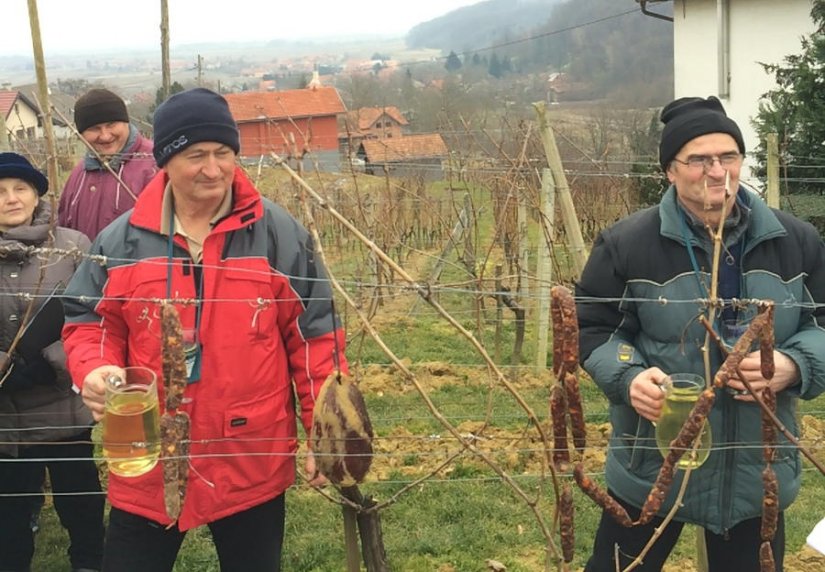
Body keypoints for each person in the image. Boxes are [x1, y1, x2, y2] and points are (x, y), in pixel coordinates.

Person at [62, 87, 346, 572]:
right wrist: (94, 368)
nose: (212, 169)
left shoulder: (279, 235)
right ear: (166, 161)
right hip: (147, 456)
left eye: (224, 154)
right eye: (196, 155)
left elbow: (314, 336)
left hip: (249, 453)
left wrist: (325, 430)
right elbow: (90, 319)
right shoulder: (122, 240)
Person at [576, 96, 825, 571]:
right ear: (670, 171)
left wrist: (793, 366)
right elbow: (592, 327)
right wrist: (628, 377)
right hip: (651, 465)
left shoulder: (796, 243)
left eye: (728, 156)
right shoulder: (626, 244)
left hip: (753, 472)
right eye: (699, 160)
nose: (717, 171)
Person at [0, 153, 103, 572]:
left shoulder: (73, 246)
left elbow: (94, 313)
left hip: (64, 407)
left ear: (37, 192)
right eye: (0, 192)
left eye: (20, 188)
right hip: (6, 414)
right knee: (10, 513)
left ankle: (90, 563)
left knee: (81, 501)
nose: (10, 198)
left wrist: (55, 360)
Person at [59, 88, 157, 240]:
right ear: (81, 134)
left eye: (111, 125)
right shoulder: (79, 173)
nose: (105, 136)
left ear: (126, 122)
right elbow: (64, 230)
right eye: (94, 128)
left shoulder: (156, 164)